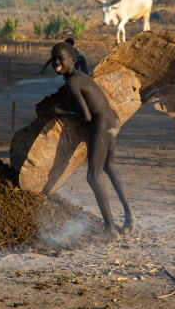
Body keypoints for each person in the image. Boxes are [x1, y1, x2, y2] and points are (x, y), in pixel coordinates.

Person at [50, 41, 135, 241]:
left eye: (60, 59)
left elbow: (86, 116)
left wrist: (62, 112)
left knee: (93, 176)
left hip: (102, 124)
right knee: (109, 166)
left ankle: (110, 230)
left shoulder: (72, 82)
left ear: (72, 60)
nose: (56, 62)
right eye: (53, 58)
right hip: (113, 120)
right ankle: (130, 218)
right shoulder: (80, 76)